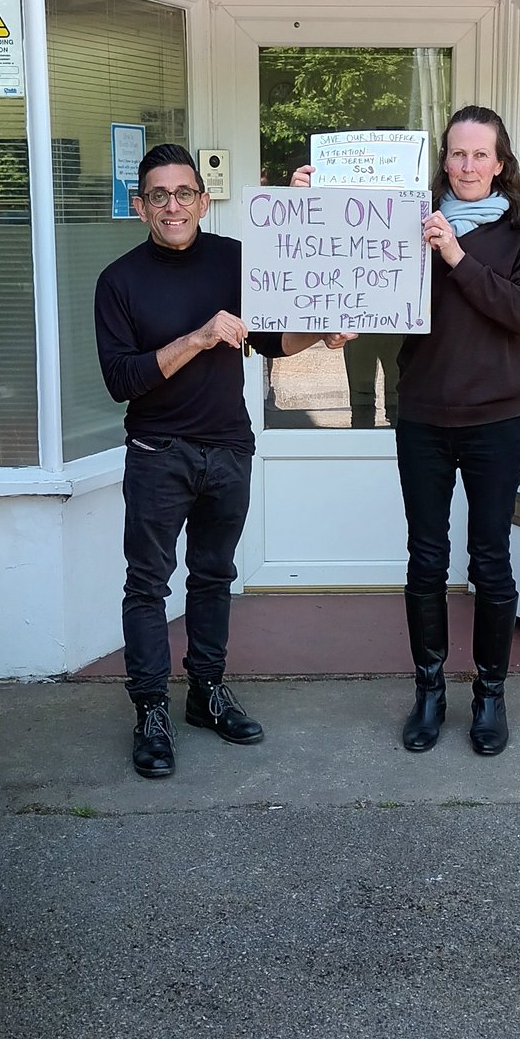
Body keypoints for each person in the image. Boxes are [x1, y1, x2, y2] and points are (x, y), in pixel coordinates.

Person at [291, 104, 520, 757]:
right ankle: (429, 690)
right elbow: (348, 252)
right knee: (426, 559)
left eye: (479, 155)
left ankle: (489, 694)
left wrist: (456, 254)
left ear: (500, 162)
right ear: (443, 158)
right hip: (424, 417)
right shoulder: (406, 214)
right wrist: (310, 205)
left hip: (496, 420)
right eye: (456, 154)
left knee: (491, 562)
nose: (466, 165)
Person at [95, 144, 352, 780]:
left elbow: (268, 338)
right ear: (141, 207)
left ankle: (206, 693)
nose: (173, 206)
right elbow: (121, 379)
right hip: (158, 453)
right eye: (159, 195)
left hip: (228, 447)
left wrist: (318, 334)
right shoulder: (119, 281)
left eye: (185, 193)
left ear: (203, 200)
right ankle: (150, 708)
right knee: (147, 584)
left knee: (213, 577)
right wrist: (199, 337)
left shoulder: (237, 258)